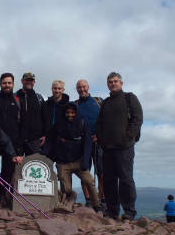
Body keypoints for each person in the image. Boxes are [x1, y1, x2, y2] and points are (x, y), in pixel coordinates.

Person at [95, 72, 143, 221]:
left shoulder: (129, 98)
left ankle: (129, 212)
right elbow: (99, 123)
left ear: (121, 83)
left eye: (115, 81)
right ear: (108, 85)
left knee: (126, 179)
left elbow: (138, 118)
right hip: (108, 148)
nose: (113, 84)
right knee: (109, 180)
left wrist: (129, 136)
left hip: (125, 147)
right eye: (110, 82)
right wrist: (102, 141)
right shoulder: (106, 102)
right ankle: (112, 211)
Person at [45, 102, 101, 212]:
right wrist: (45, 154)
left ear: (76, 113)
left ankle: (97, 205)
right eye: (68, 112)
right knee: (67, 189)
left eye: (72, 113)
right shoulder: (59, 124)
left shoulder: (83, 123)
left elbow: (87, 144)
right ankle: (66, 204)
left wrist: (85, 161)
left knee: (89, 181)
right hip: (62, 162)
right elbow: (50, 139)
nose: (70, 115)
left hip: (78, 161)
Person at [0, 73, 21, 207]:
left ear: (13, 84)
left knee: (7, 172)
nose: (7, 85)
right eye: (4, 83)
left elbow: (22, 123)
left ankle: (3, 198)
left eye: (9, 83)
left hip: (11, 143)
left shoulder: (18, 101)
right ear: (0, 84)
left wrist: (18, 144)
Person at [75, 79, 104, 208]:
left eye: (84, 87)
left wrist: (101, 135)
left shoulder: (99, 102)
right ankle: (88, 199)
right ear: (77, 89)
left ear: (88, 87)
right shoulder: (74, 105)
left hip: (98, 142)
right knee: (84, 170)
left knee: (101, 172)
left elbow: (106, 120)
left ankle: (102, 198)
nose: (82, 89)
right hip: (82, 144)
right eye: (79, 87)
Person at [16, 72, 48, 156]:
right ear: (22, 81)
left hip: (35, 140)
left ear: (34, 82)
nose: (29, 82)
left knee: (33, 166)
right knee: (14, 167)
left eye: (31, 80)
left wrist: (45, 135)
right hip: (18, 139)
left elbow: (45, 118)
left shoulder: (39, 98)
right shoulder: (15, 97)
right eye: (27, 80)